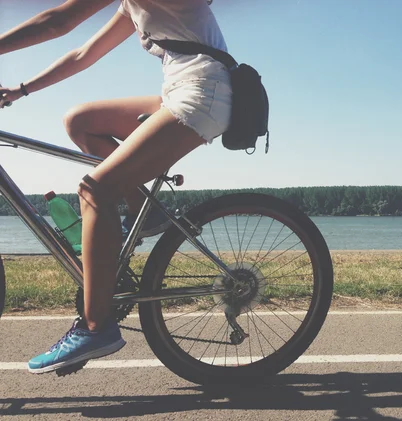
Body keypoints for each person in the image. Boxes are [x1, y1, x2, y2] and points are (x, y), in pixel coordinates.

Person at [0, 0, 232, 374]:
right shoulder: (132, 5)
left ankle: (96, 326)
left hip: (202, 94)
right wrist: (21, 90)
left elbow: (57, 20)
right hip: (178, 91)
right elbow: (82, 54)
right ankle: (147, 210)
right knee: (79, 121)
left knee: (94, 190)